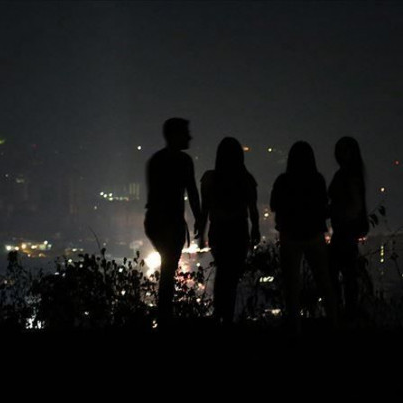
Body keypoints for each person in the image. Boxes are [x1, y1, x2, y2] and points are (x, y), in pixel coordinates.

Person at [270, 141, 337, 333]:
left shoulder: (283, 181)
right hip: (314, 235)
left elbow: (274, 205)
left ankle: (295, 328)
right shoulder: (317, 180)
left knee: (291, 285)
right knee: (324, 281)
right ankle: (333, 323)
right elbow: (324, 207)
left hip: (290, 236)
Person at [144, 118, 201, 330]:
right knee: (169, 270)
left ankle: (164, 318)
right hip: (170, 223)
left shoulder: (156, 160)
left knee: (168, 270)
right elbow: (192, 193)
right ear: (175, 135)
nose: (190, 137)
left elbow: (155, 197)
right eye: (185, 133)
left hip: (157, 222)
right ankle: (165, 319)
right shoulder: (184, 161)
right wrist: (199, 219)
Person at [198, 137, 260, 327]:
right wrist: (255, 229)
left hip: (218, 231)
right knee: (231, 277)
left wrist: (201, 233)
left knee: (223, 272)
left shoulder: (210, 179)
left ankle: (219, 315)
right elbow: (253, 209)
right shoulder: (246, 180)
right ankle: (227, 318)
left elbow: (205, 209)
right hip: (238, 231)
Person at [328, 136, 368, 322]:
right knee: (347, 273)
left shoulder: (347, 175)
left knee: (337, 272)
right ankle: (347, 313)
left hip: (344, 231)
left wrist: (339, 215)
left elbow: (354, 205)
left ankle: (341, 313)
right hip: (346, 231)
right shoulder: (352, 174)